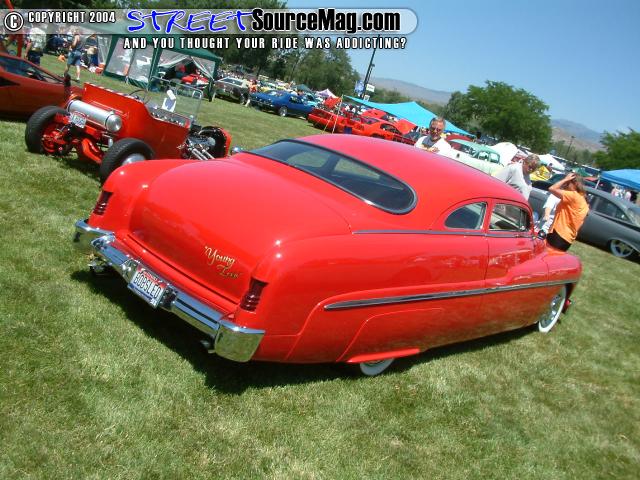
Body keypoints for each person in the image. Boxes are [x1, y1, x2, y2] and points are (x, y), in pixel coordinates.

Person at [546, 172, 589, 252]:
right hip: (568, 238)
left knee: (547, 257)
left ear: (575, 183)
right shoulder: (583, 199)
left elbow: (552, 188)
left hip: (559, 233)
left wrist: (565, 179)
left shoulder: (573, 195)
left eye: (568, 183)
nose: (566, 185)